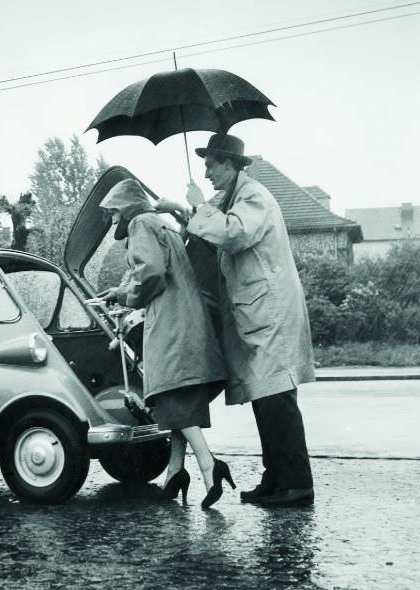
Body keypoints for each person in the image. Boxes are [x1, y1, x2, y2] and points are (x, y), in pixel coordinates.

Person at [157, 133, 315, 507]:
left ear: (230, 165)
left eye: (212, 164)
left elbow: (234, 233)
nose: (207, 171)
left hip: (269, 312)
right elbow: (215, 237)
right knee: (265, 397)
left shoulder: (253, 195)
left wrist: (197, 205)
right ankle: (275, 479)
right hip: (258, 312)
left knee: (276, 398)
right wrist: (184, 211)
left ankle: (296, 484)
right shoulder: (234, 199)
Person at [99, 178, 233, 509]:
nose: (112, 221)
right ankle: (175, 472)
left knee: (170, 396)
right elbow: (164, 269)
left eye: (114, 213)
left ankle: (208, 464)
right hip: (189, 319)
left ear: (126, 208)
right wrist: (121, 292)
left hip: (170, 323)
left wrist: (127, 297)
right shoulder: (165, 224)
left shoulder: (141, 223)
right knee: (179, 399)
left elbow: (152, 275)